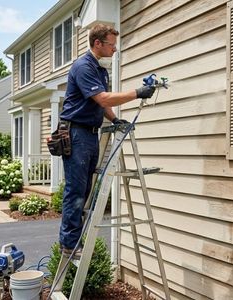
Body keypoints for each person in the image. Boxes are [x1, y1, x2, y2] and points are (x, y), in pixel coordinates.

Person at [58, 23, 156, 258]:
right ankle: (69, 243)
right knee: (76, 190)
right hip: (76, 134)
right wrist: (137, 93)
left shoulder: (100, 71)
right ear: (98, 43)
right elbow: (102, 98)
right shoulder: (83, 67)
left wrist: (115, 120)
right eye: (112, 45)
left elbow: (98, 105)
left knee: (87, 188)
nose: (115, 49)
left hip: (91, 133)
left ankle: (76, 238)